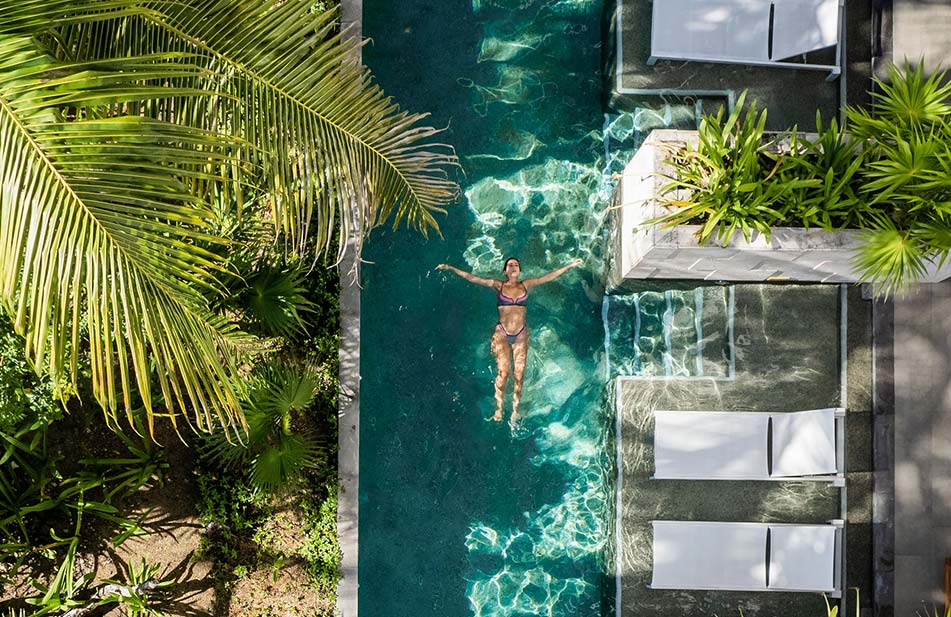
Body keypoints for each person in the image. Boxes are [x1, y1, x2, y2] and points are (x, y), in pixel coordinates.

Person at [436, 256, 584, 426]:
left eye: (516, 265)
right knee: (503, 373)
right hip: (502, 333)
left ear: (519, 270)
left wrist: (570, 265)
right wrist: (451, 268)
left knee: (519, 375)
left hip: (521, 334)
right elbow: (473, 278)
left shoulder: (526, 285)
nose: (513, 267)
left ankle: (514, 410)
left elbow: (548, 277)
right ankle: (498, 409)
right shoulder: (498, 285)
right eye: (510, 265)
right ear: (505, 271)